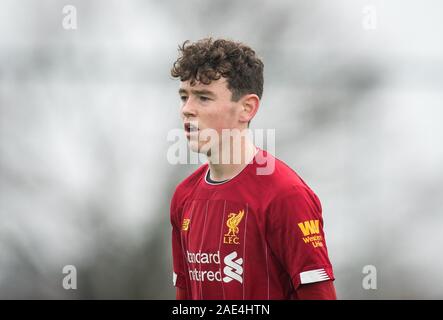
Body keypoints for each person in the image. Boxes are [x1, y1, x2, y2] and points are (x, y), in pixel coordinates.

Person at [169, 38, 336, 299]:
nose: (187, 110)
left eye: (203, 97)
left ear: (247, 108)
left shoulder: (285, 195)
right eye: (184, 97)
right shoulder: (183, 196)